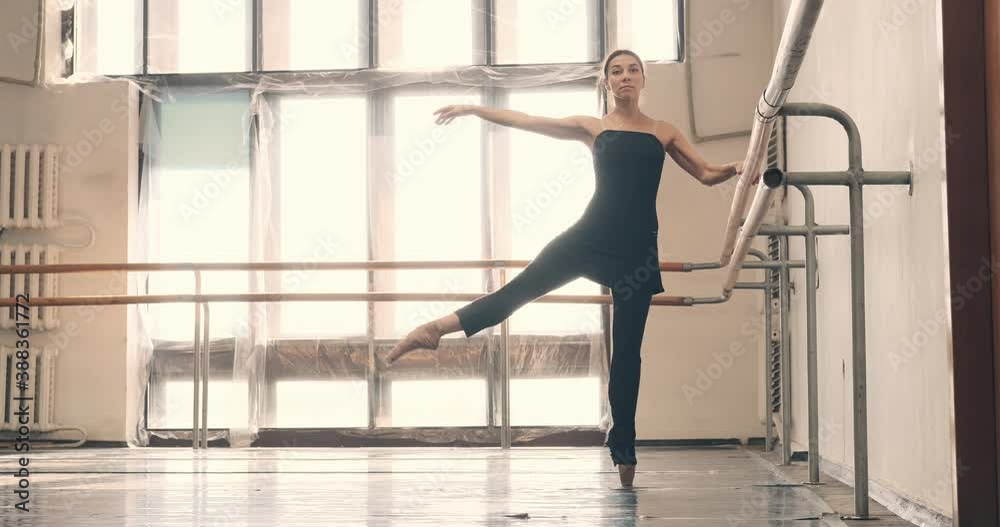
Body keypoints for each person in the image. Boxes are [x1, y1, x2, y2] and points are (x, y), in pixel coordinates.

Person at [385, 49, 743, 486]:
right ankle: (435, 328)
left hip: (636, 251)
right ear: (606, 82)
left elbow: (706, 173)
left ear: (643, 80)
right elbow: (527, 120)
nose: (625, 77)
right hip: (588, 237)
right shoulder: (592, 127)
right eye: (616, 71)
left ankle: (624, 448)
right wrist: (476, 109)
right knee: (517, 292)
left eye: (632, 70)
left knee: (627, 354)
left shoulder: (663, 132)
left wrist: (735, 168)